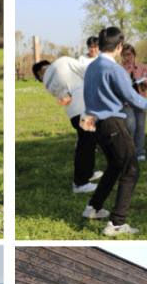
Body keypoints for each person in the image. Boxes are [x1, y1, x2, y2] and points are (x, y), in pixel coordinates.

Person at [80, 27, 147, 237]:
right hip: (111, 122)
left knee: (114, 165)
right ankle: (117, 223)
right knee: (131, 169)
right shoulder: (115, 69)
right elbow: (133, 98)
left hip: (92, 122)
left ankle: (93, 209)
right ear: (119, 46)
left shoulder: (92, 66)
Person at [31, 58, 102, 194]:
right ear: (44, 67)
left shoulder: (47, 84)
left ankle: (88, 173)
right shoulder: (63, 61)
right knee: (86, 144)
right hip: (84, 108)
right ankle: (80, 183)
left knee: (88, 142)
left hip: (74, 113)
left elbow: (62, 101)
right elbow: (86, 71)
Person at [120, 44, 147, 161]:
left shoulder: (141, 67)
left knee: (140, 127)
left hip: (140, 101)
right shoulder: (119, 68)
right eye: (125, 55)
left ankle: (140, 152)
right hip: (127, 102)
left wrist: (144, 81)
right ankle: (129, 151)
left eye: (130, 54)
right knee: (130, 126)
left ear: (134, 55)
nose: (128, 57)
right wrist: (127, 72)